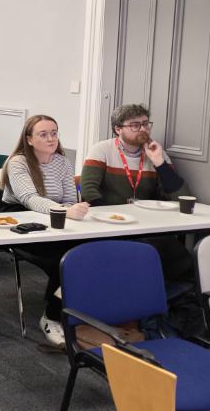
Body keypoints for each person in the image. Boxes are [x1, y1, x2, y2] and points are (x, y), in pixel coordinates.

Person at [0, 115, 90, 347]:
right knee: (65, 261)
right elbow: (29, 199)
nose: (51, 138)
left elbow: (70, 199)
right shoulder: (18, 162)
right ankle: (51, 317)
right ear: (29, 139)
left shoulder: (61, 162)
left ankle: (70, 309)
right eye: (43, 134)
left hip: (55, 221)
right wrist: (63, 211)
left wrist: (72, 209)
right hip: (21, 222)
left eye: (54, 133)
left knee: (86, 255)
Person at [81, 102, 192, 279]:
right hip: (109, 223)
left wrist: (159, 163)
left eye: (146, 123)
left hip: (147, 224)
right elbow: (88, 191)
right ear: (118, 129)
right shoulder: (102, 149)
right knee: (141, 253)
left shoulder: (156, 152)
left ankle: (166, 299)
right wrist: (111, 219)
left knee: (178, 256)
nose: (143, 129)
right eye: (135, 125)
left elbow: (181, 196)